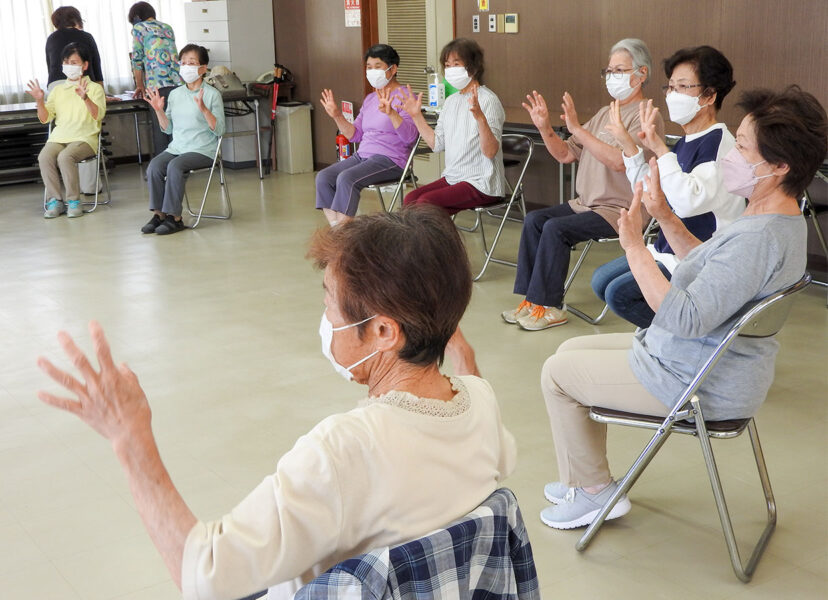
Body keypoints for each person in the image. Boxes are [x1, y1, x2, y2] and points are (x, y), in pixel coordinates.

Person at [37, 206, 517, 599]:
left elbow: (205, 576)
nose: (325, 318)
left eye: (330, 304)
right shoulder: (480, 401)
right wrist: (461, 357)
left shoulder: (346, 450)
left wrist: (129, 436)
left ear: (385, 331)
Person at [537, 86, 826, 530]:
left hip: (699, 381)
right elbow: (708, 269)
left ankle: (594, 492)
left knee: (556, 375)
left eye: (743, 148)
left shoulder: (760, 237)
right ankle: (585, 478)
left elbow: (685, 316)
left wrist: (634, 244)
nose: (731, 155)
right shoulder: (773, 218)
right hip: (700, 362)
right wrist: (666, 218)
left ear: (779, 166)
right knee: (568, 351)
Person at [502, 38, 664, 331]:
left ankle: (550, 307)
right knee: (535, 220)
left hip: (620, 211)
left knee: (556, 229)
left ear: (641, 74)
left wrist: (578, 128)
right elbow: (566, 154)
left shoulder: (647, 115)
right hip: (586, 204)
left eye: (619, 69)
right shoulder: (604, 113)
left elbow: (620, 161)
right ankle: (532, 300)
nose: (612, 76)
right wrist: (545, 128)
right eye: (609, 70)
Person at [591, 46, 746, 328]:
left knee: (620, 295)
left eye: (683, 87)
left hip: (698, 256)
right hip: (667, 248)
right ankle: (666, 336)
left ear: (709, 95)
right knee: (601, 281)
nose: (672, 95)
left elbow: (687, 201)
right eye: (670, 87)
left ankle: (684, 339)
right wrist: (630, 147)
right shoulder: (687, 141)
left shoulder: (719, 145)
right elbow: (652, 191)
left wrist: (660, 148)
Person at [400, 38, 505, 214]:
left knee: (426, 203)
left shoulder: (488, 100)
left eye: (456, 64)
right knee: (410, 200)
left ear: (473, 67)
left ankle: (431, 242)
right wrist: (416, 116)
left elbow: (490, 152)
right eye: (447, 65)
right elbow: (436, 144)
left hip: (481, 181)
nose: (450, 70)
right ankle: (418, 241)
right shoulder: (450, 101)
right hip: (453, 178)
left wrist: (480, 119)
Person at [316, 44, 418, 226]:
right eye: (369, 67)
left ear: (393, 69)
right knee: (324, 177)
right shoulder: (371, 99)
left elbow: (410, 138)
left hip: (391, 159)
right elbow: (354, 135)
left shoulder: (406, 97)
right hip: (362, 156)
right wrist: (337, 115)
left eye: (377, 67)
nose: (372, 72)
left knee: (347, 178)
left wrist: (391, 113)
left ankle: (342, 235)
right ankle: (338, 231)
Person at [141, 44, 225, 235]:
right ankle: (159, 214)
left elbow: (220, 130)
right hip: (178, 147)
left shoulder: (212, 95)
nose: (186, 66)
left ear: (203, 69)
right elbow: (168, 128)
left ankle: (175, 218)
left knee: (175, 166)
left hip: (203, 150)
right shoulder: (176, 94)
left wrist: (204, 109)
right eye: (184, 62)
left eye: (192, 63)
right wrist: (158, 110)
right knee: (155, 166)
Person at [27, 43, 106, 219]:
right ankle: (55, 200)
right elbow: (45, 118)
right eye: (66, 62)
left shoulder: (95, 88)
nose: (68, 66)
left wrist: (85, 97)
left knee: (65, 157)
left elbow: (97, 115)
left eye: (73, 62)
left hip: (85, 138)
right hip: (60, 136)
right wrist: (40, 101)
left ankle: (74, 201)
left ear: (84, 65)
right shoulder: (58, 90)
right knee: (44, 157)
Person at [128, 1, 182, 156]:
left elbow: (137, 61)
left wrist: (140, 86)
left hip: (157, 87)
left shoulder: (139, 28)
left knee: (160, 128)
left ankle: (161, 168)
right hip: (177, 84)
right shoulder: (167, 27)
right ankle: (178, 165)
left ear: (137, 18)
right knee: (175, 127)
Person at [44, 6, 103, 91]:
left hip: (55, 84)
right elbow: (96, 67)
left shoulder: (51, 38)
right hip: (83, 83)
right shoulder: (86, 36)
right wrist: (102, 93)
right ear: (77, 20)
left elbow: (50, 67)